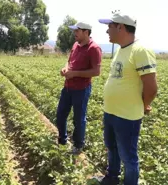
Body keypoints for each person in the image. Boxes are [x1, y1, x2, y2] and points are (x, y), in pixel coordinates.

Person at [98, 11, 158, 185]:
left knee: (128, 157)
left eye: (109, 26)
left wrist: (143, 105)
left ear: (120, 27)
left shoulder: (140, 51)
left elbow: (151, 88)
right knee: (112, 148)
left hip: (127, 116)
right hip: (110, 112)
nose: (107, 31)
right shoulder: (120, 50)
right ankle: (112, 178)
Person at [56, 22, 102, 155]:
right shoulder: (75, 45)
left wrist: (75, 73)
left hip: (81, 89)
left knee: (78, 119)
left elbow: (96, 71)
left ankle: (78, 145)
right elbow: (69, 61)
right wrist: (65, 68)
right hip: (68, 87)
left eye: (77, 30)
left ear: (86, 32)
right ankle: (62, 140)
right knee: (60, 115)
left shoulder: (94, 48)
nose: (74, 33)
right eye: (74, 30)